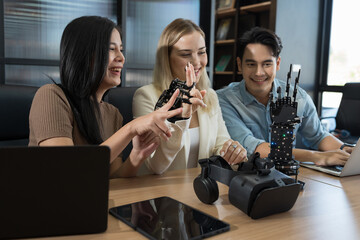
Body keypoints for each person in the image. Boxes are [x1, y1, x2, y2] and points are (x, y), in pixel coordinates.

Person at [28, 16, 183, 178]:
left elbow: (113, 178)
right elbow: (66, 170)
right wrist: (130, 128)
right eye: (111, 49)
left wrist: (137, 156)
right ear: (83, 54)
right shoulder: (51, 96)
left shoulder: (113, 114)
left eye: (121, 50)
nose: (121, 58)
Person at [217, 27, 352, 166]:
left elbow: (318, 136)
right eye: (251, 64)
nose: (259, 72)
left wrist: (346, 150)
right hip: (244, 178)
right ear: (240, 65)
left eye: (267, 64)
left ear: (278, 64)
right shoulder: (224, 101)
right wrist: (315, 156)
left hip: (289, 176)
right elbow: (253, 147)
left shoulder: (298, 97)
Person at [132, 18, 247, 175]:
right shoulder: (146, 96)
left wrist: (232, 151)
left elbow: (220, 143)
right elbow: (156, 166)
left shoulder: (210, 95)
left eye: (201, 52)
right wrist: (182, 119)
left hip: (200, 191)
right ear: (167, 59)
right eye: (186, 54)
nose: (197, 61)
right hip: (161, 193)